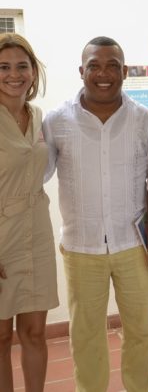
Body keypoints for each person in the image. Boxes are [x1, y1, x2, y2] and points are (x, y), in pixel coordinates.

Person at [43, 36, 148, 392]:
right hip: (81, 247)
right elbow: (36, 175)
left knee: (142, 330)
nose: (103, 73)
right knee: (86, 334)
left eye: (112, 66)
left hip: (132, 246)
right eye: (94, 65)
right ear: (82, 71)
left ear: (124, 71)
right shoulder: (56, 121)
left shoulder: (144, 120)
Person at [0, 33, 58, 392]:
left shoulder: (38, 116)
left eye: (22, 66)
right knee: (1, 335)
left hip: (36, 230)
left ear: (34, 73)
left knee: (35, 332)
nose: (14, 74)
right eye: (3, 67)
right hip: (2, 234)